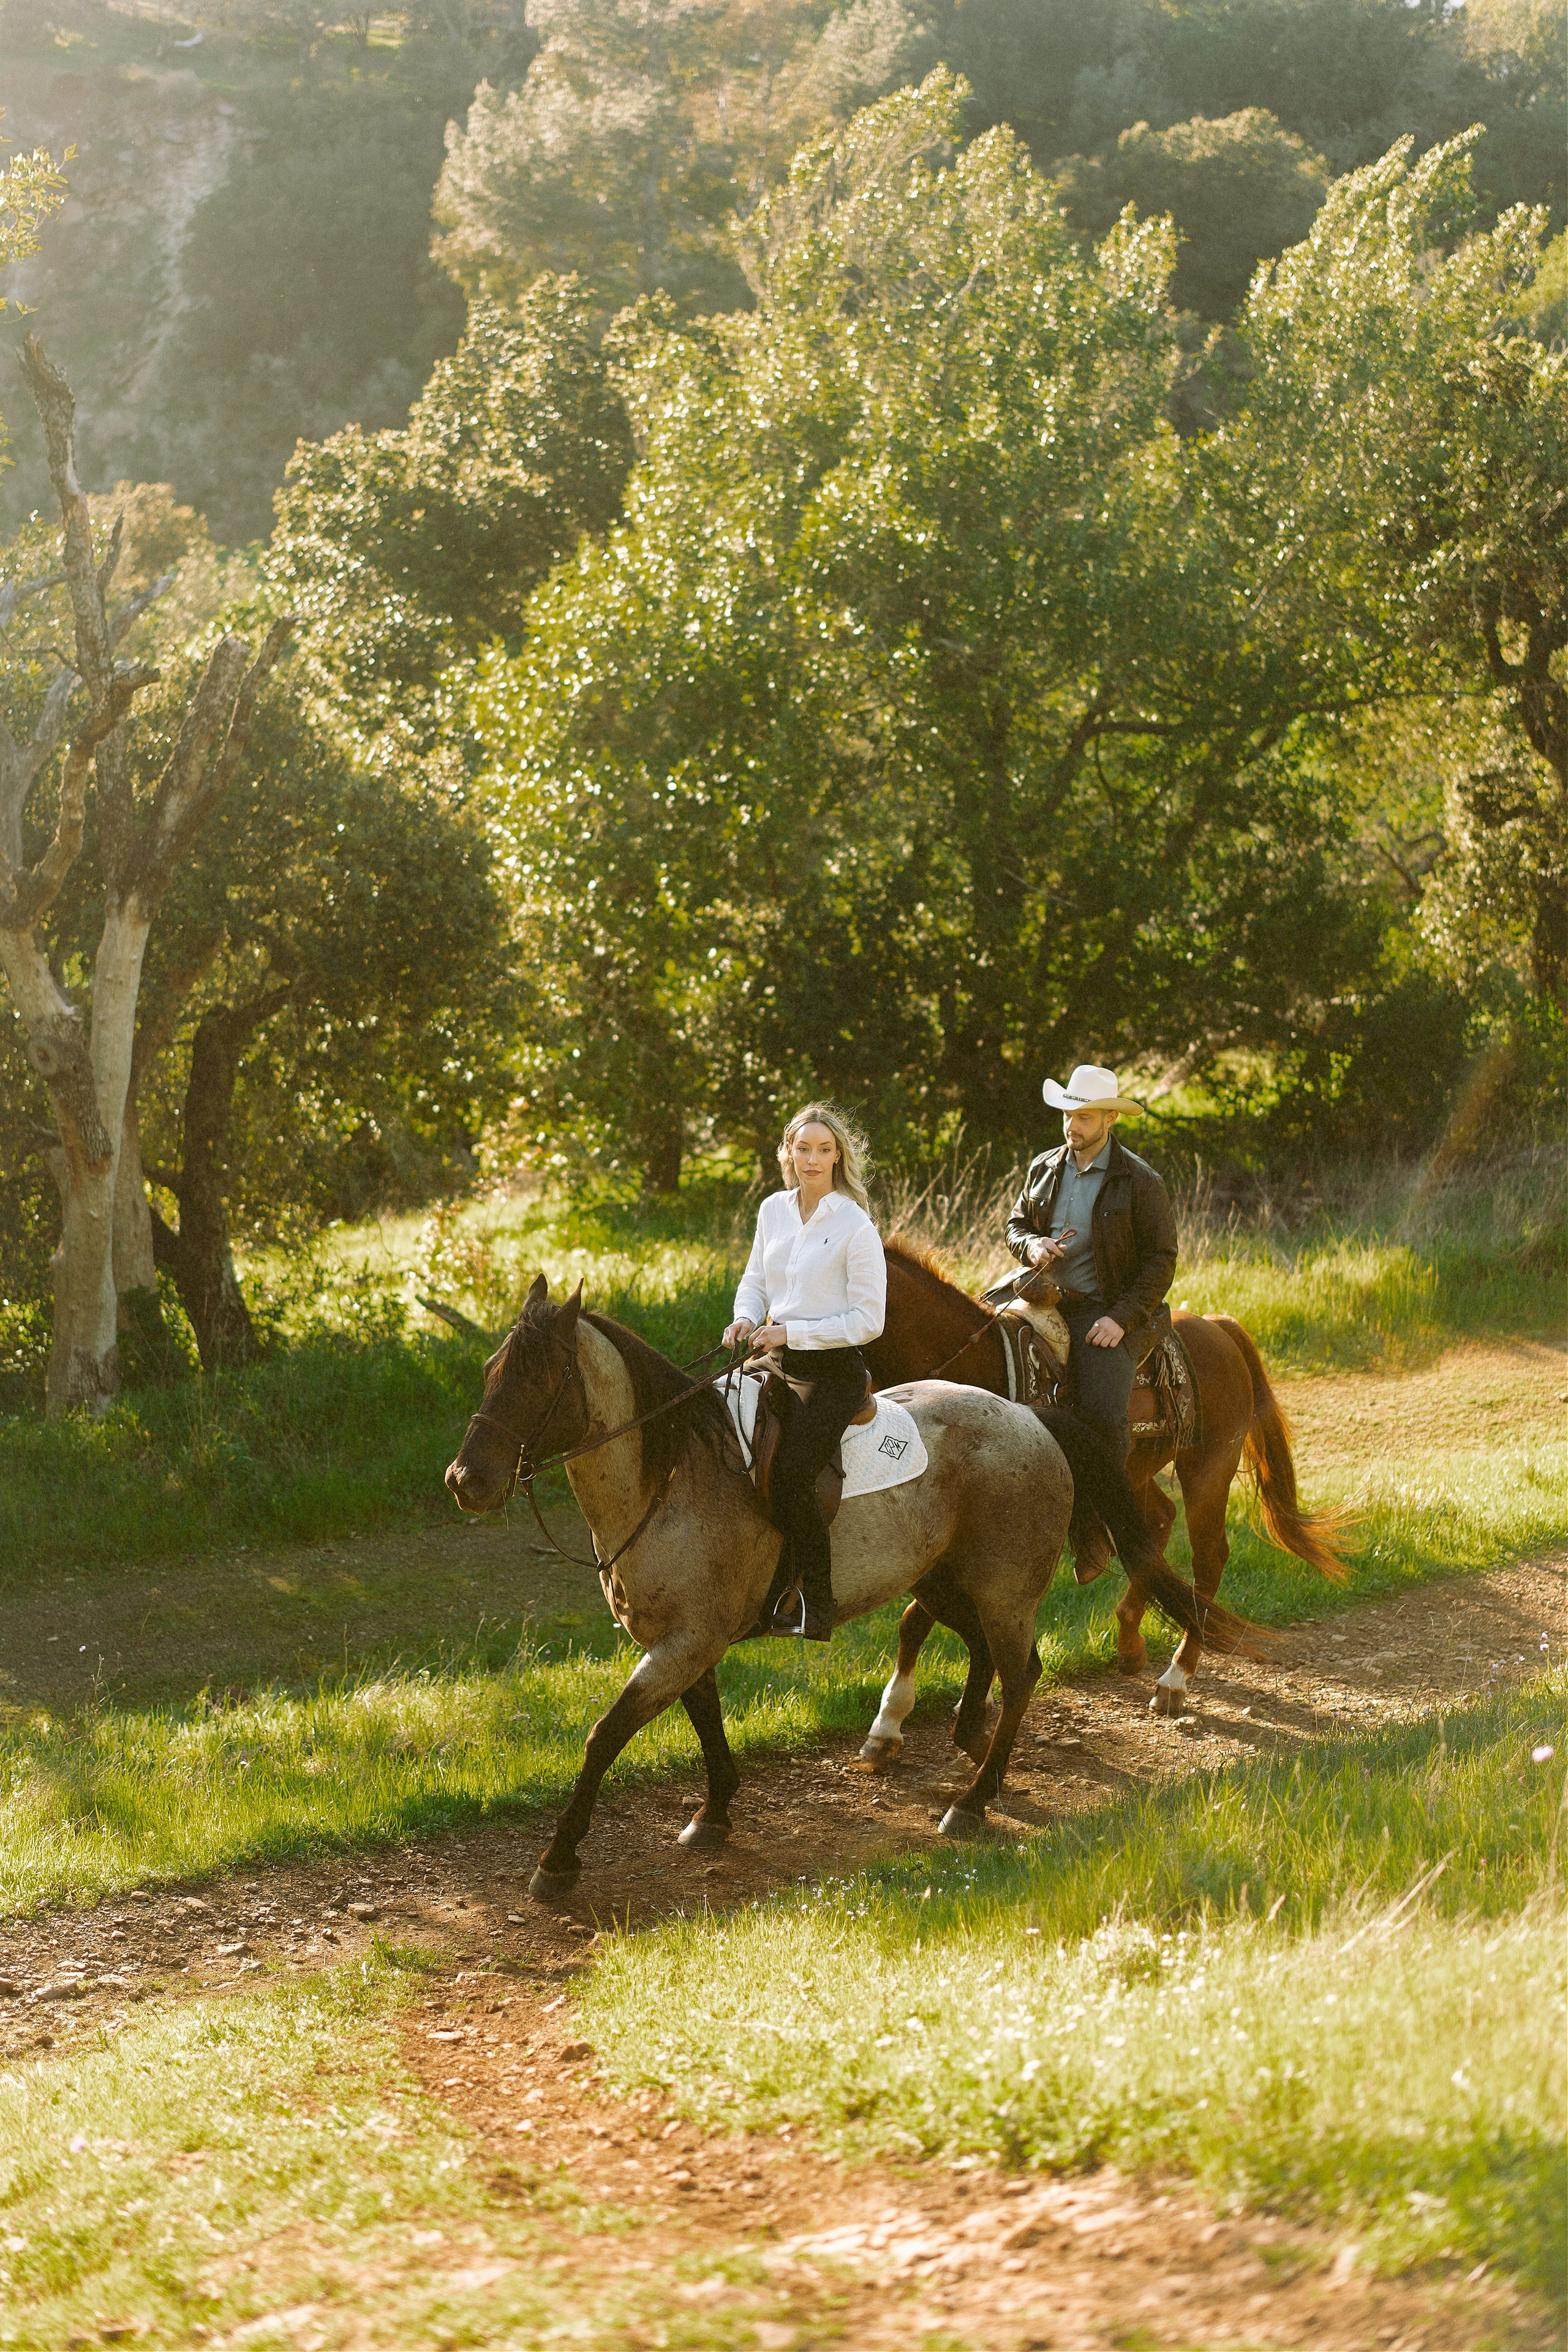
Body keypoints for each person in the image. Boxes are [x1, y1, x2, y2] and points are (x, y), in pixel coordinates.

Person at [723, 1102, 886, 1642]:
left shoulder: (854, 1224)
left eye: (823, 1149)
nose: (812, 1159)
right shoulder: (773, 1209)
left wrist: (791, 1332)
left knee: (790, 1478)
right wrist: (744, 1316)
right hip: (773, 1354)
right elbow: (755, 1279)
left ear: (839, 1155)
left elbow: (869, 1321)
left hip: (832, 1370)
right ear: (788, 1152)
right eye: (803, 1148)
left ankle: (816, 1599)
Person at [1005, 1064, 1177, 1468]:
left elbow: (1161, 1260)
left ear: (1110, 1118)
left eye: (1084, 1117)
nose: (1072, 1126)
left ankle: (1104, 1509)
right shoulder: (1043, 1167)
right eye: (1068, 1115)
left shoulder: (1140, 1181)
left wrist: (1121, 1318)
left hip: (1102, 1309)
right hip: (1038, 1297)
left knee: (1102, 1418)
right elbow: (1016, 1224)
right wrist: (1031, 1246)